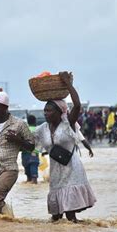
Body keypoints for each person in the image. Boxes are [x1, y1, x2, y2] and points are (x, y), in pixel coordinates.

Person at [34, 72, 96, 222]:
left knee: (69, 215)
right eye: (45, 110)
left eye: (49, 110)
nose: (46, 113)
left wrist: (67, 83)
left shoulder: (68, 123)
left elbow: (77, 105)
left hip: (72, 169)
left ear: (59, 112)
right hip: (56, 171)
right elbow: (31, 145)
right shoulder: (42, 128)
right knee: (55, 216)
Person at [21, 114, 40, 184]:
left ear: (27, 122)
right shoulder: (38, 129)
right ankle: (34, 179)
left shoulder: (24, 130)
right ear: (35, 121)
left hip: (25, 151)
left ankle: (28, 179)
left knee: (26, 166)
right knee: (33, 165)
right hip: (34, 151)